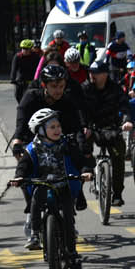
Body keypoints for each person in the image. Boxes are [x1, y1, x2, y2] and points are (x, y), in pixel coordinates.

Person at [11, 107, 94, 255]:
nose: (57, 130)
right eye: (52, 127)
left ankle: (72, 252)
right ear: (41, 130)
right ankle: (35, 234)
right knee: (36, 200)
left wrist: (86, 171)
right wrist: (19, 176)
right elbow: (24, 164)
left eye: (58, 126)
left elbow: (79, 160)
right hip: (42, 184)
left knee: (68, 214)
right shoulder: (33, 148)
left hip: (63, 184)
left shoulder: (67, 144)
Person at [81, 58, 129, 205]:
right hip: (91, 127)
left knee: (118, 155)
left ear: (105, 75)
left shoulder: (115, 88)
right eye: (90, 72)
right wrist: (84, 126)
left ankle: (117, 194)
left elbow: (125, 106)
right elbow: (78, 108)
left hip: (110, 127)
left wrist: (127, 121)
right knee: (82, 144)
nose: (92, 75)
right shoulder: (85, 88)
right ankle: (86, 173)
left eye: (95, 73)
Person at [14, 63, 85, 150]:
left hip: (60, 145)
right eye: (54, 86)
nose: (58, 90)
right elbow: (21, 123)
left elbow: (76, 126)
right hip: (33, 144)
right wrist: (17, 142)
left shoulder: (67, 100)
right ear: (44, 85)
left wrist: (82, 144)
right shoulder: (31, 97)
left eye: (61, 86)